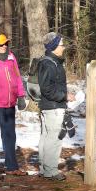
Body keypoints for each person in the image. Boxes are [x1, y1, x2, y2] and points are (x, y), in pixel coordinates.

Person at [37, 32, 74, 181]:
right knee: (54, 139)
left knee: (46, 138)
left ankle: (44, 168)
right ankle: (51, 171)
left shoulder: (51, 62)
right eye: (61, 44)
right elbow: (47, 89)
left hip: (49, 106)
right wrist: (64, 96)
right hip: (53, 107)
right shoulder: (49, 64)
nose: (64, 47)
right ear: (53, 47)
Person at [0, 33, 27, 176]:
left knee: (10, 135)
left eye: (6, 43)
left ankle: (11, 166)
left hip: (10, 103)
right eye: (1, 44)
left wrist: (21, 96)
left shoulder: (12, 58)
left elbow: (18, 78)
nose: (4, 46)